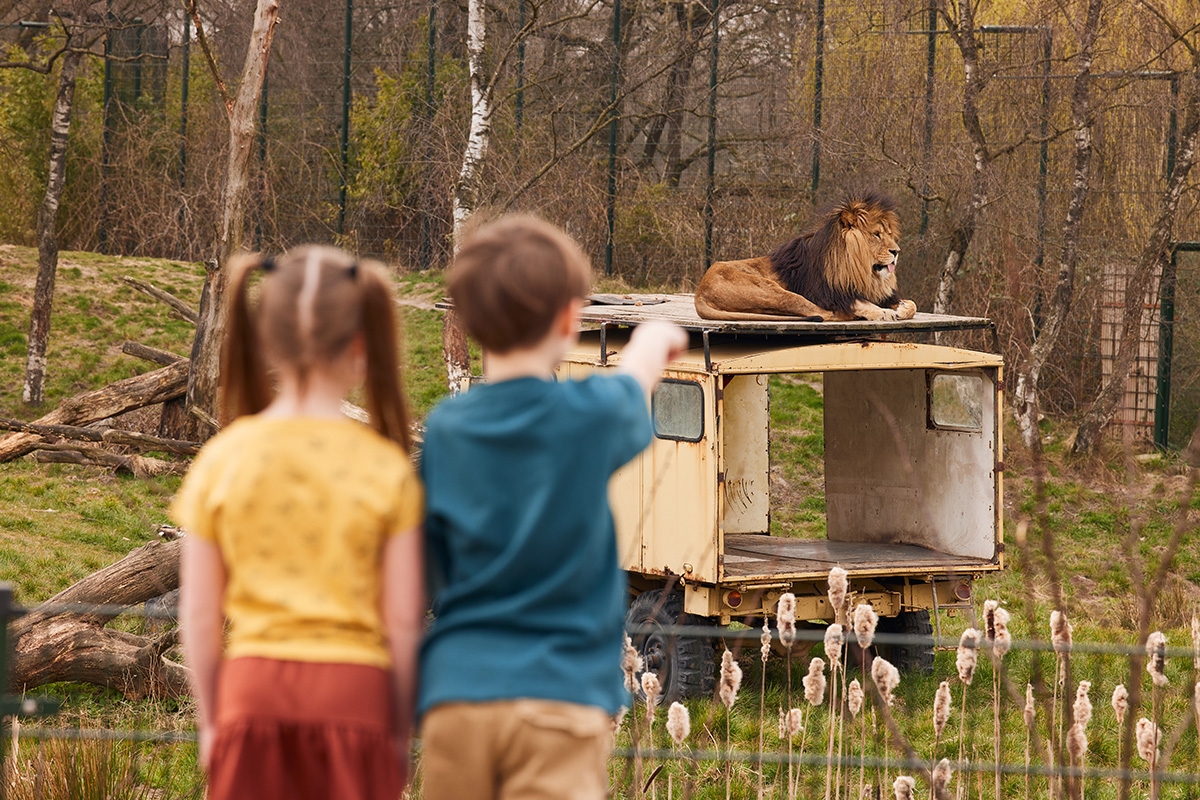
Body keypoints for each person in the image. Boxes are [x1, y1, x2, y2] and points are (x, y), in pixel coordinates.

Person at [418, 215, 689, 800]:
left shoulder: (448, 428)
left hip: (456, 693)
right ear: (571, 319)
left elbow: (429, 558)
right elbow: (629, 387)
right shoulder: (583, 416)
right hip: (559, 697)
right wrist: (649, 343)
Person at [173, 246, 424, 800]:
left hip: (252, 694)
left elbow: (199, 612)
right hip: (356, 697)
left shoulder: (222, 459)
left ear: (266, 340)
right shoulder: (387, 468)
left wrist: (214, 719)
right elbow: (404, 620)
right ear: (361, 346)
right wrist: (399, 728)